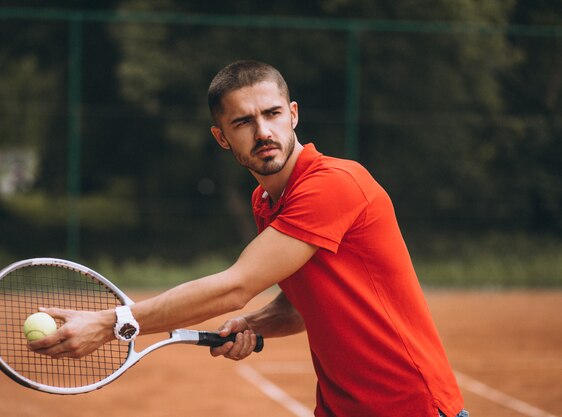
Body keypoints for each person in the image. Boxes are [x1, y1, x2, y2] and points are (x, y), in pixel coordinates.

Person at [30, 60, 467, 417]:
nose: (263, 133)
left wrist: (112, 324)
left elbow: (237, 285)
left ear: (293, 114)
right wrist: (254, 326)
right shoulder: (267, 200)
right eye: (243, 121)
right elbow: (302, 304)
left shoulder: (334, 183)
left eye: (272, 114)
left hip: (411, 408)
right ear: (222, 137)